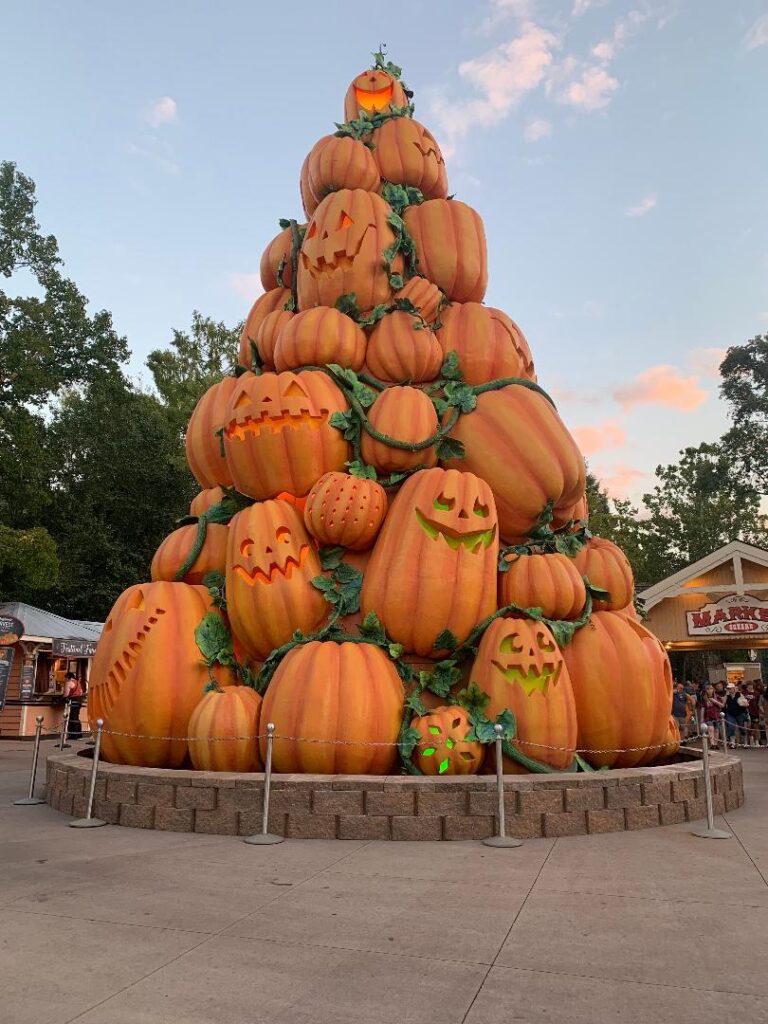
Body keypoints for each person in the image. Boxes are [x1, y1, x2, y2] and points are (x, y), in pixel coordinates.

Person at [724, 683, 749, 747]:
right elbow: (723, 704)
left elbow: (745, 703)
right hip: (730, 713)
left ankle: (745, 742)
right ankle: (733, 743)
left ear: (734, 688)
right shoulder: (727, 696)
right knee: (731, 727)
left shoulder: (739, 694)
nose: (729, 690)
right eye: (728, 689)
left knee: (742, 727)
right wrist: (726, 695)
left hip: (740, 713)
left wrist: (742, 703)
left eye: (730, 688)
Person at [701, 684, 725, 748]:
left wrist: (715, 701)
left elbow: (722, 706)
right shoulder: (704, 698)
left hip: (716, 715)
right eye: (708, 689)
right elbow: (703, 708)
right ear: (706, 690)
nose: (710, 690)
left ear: (713, 690)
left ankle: (715, 743)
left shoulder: (717, 697)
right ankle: (712, 744)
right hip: (708, 716)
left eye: (711, 689)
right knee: (711, 729)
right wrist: (701, 719)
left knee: (716, 730)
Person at [63, 672, 84, 740]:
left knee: (72, 717)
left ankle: (73, 735)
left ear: (68, 677)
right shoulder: (78, 682)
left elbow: (66, 694)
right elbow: (81, 692)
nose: (65, 679)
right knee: (76, 717)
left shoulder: (68, 683)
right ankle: (78, 734)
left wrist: (63, 698)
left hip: (72, 701)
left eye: (65, 678)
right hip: (79, 701)